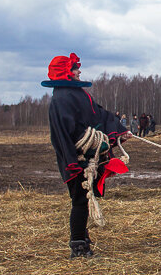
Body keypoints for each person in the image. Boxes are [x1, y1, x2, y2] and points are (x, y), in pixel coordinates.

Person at [42, 53, 129, 259]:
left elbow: (99, 114)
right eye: (75, 69)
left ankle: (83, 238)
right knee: (80, 200)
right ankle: (78, 248)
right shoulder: (61, 99)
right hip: (78, 158)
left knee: (84, 198)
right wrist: (78, 157)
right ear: (66, 72)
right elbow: (65, 133)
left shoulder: (77, 94)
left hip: (88, 156)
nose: (79, 72)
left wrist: (118, 130)